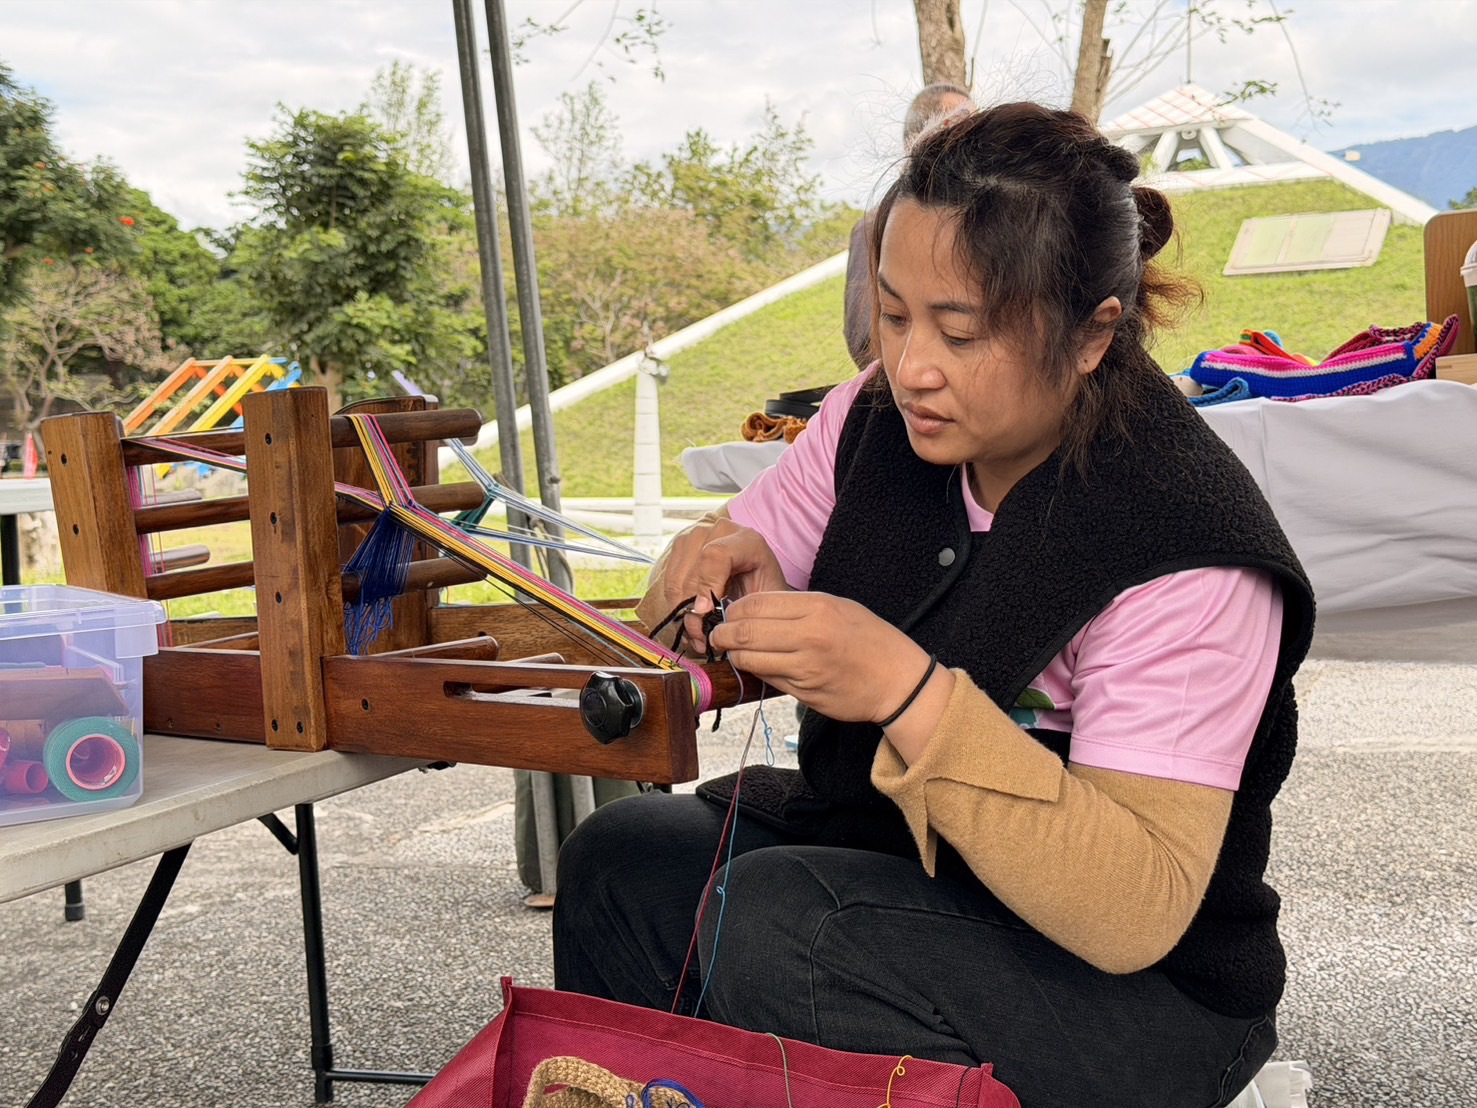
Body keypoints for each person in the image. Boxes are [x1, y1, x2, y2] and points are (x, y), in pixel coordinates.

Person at [552, 101, 1315, 1108]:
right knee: (623, 860)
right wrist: (700, 573)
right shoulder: (871, 421)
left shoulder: (1181, 539)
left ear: (1092, 334)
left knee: (788, 922)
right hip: (909, 883)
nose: (911, 367)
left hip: (1147, 1001)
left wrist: (902, 691)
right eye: (895, 314)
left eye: (960, 332)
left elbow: (1133, 908)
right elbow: (713, 573)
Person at [844, 82, 973, 369]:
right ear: (925, 135)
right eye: (964, 128)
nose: (977, 142)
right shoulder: (872, 228)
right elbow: (862, 337)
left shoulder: (974, 217)